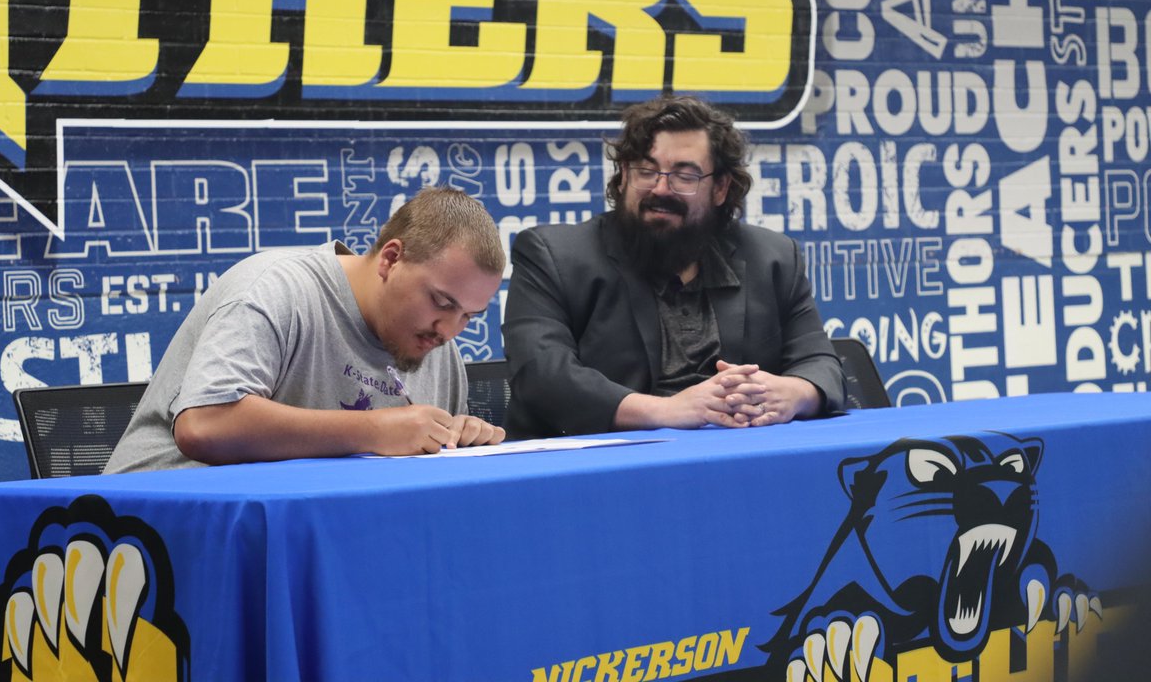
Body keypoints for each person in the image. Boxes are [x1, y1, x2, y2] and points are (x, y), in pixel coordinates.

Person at [503, 95, 844, 439]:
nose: (661, 189)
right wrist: (667, 411)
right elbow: (541, 375)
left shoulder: (773, 258)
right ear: (622, 176)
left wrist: (792, 394)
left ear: (721, 188)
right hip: (605, 467)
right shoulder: (554, 255)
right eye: (646, 171)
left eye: (685, 176)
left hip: (740, 458)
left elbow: (821, 364)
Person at [105, 187, 506, 473]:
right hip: (151, 533)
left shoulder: (436, 346)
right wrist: (377, 430)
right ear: (391, 258)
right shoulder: (275, 289)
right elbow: (205, 424)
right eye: (442, 302)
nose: (449, 330)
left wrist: (459, 437)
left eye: (469, 316)